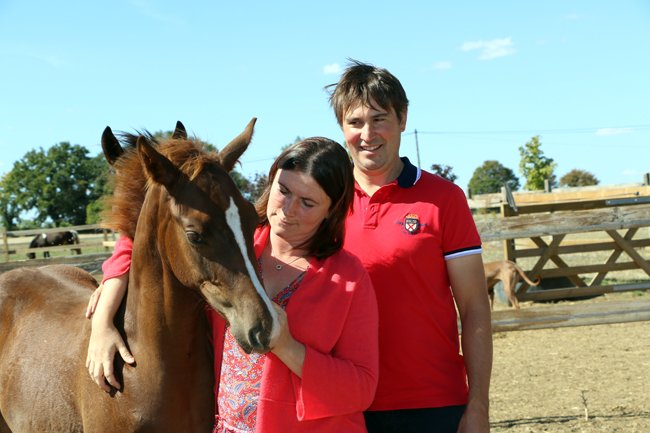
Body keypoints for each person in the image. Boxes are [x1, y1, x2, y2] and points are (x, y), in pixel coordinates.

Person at [86, 137, 379, 433]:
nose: (288, 210)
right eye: (284, 190)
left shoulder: (347, 279)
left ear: (332, 209)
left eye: (307, 202)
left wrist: (287, 347)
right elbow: (147, 236)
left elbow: (361, 389)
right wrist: (103, 317)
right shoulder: (234, 244)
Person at [326, 60, 493, 433]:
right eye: (355, 122)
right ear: (342, 128)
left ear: (402, 118)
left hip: (434, 404)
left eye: (379, 119)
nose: (367, 134)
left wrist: (478, 405)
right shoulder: (323, 203)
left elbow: (474, 308)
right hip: (346, 405)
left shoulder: (444, 199)